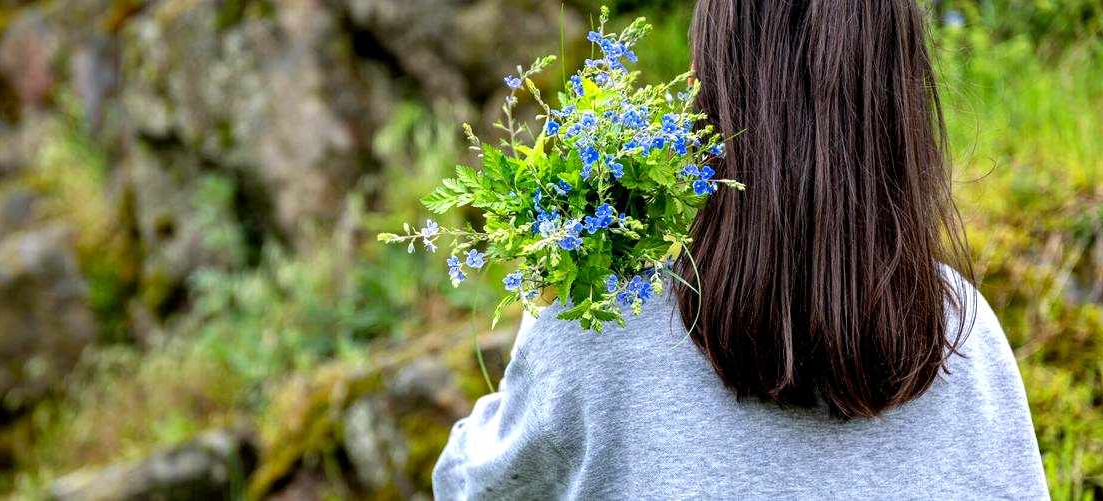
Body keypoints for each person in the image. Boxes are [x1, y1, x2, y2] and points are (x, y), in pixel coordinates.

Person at [432, 0, 1048, 499]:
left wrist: (553, 292)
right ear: (901, 100)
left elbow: (466, 486)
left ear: (715, 87)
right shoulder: (966, 340)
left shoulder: (604, 322)